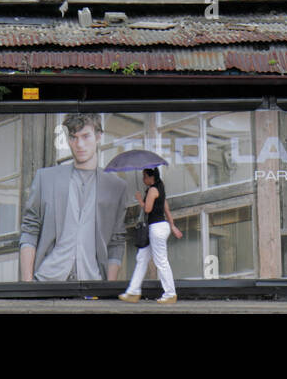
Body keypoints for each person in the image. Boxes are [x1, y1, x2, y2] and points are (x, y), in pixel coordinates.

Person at [19, 112, 127, 282]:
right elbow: (29, 230)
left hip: (93, 285)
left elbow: (116, 240)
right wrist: (27, 284)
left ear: (98, 136)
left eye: (85, 136)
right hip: (46, 282)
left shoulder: (116, 187)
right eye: (73, 138)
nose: (79, 144)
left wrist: (109, 288)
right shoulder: (45, 179)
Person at [119, 167, 183, 304]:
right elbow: (166, 208)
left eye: (145, 177)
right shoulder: (161, 187)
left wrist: (139, 199)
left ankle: (170, 293)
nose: (143, 180)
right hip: (160, 227)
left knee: (161, 261)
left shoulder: (153, 190)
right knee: (142, 258)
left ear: (150, 177)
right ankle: (133, 292)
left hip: (156, 228)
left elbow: (147, 209)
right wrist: (172, 225)